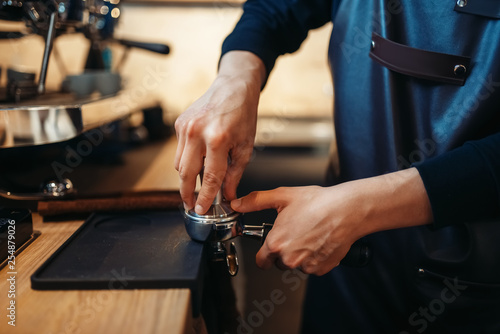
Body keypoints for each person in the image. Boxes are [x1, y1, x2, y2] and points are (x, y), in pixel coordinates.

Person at [174, 0, 500, 332]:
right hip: (346, 267)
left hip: (473, 286)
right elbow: (274, 9)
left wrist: (361, 208)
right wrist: (235, 79)